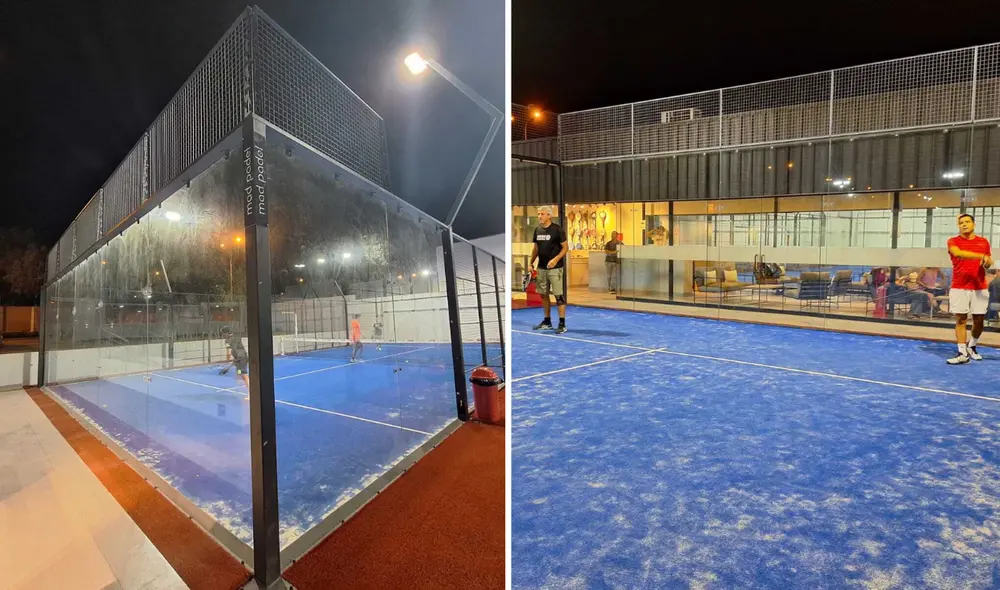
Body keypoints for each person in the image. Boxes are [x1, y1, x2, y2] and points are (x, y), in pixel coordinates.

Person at [946, 213, 992, 364]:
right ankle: (962, 353)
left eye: (967, 222)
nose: (964, 224)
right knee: (961, 319)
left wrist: (987, 262)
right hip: (959, 287)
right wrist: (980, 256)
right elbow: (958, 253)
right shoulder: (953, 241)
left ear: (973, 224)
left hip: (979, 287)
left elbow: (986, 263)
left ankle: (972, 346)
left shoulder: (984, 242)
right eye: (961, 223)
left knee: (979, 320)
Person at [530, 205, 569, 333]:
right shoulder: (537, 230)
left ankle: (562, 324)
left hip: (555, 269)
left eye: (542, 214)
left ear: (549, 215)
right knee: (543, 295)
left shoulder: (557, 230)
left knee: (558, 296)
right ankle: (547, 321)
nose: (539, 216)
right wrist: (531, 263)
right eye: (539, 214)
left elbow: (565, 248)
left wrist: (555, 259)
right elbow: (536, 249)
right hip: (541, 268)